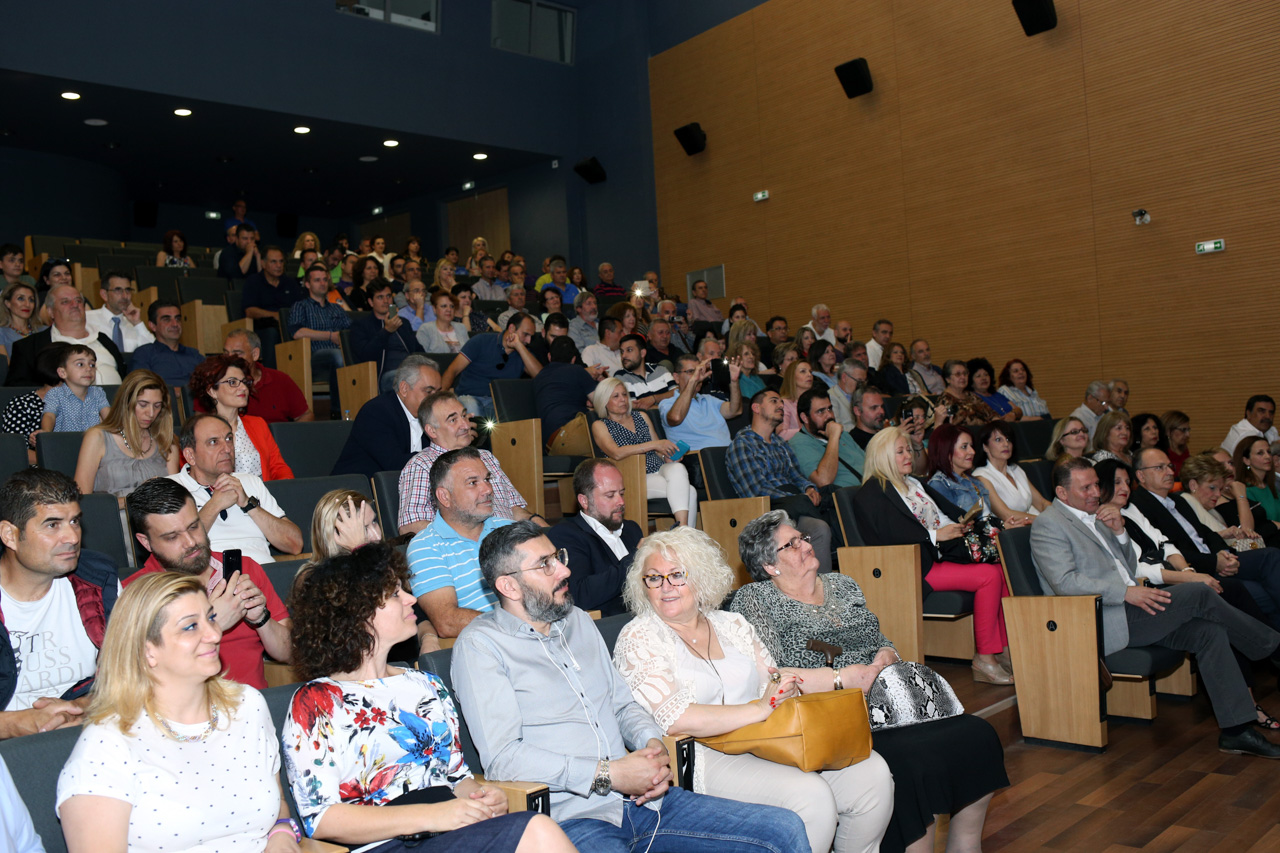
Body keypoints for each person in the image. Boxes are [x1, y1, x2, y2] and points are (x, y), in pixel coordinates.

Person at [451, 521, 810, 852]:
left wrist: (652, 745)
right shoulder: (481, 646)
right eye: (545, 565)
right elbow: (504, 759)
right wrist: (609, 775)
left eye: (557, 557)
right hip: (571, 820)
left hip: (645, 802)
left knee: (784, 829)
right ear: (509, 586)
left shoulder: (577, 622)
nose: (564, 570)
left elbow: (623, 706)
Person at [730, 511, 1009, 853]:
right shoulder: (755, 599)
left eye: (802, 537)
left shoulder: (843, 584)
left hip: (888, 701)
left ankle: (965, 846)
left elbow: (876, 636)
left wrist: (888, 653)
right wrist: (843, 679)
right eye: (792, 544)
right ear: (769, 565)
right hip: (829, 713)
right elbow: (771, 676)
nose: (805, 544)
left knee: (977, 735)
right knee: (911, 763)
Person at [614, 525, 894, 853]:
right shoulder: (640, 636)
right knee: (811, 798)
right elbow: (676, 719)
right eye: (654, 578)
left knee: (872, 775)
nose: (665, 587)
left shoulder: (731, 624)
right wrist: (760, 708)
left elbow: (770, 682)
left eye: (677, 575)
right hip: (701, 754)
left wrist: (783, 690)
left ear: (700, 577)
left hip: (767, 739)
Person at [282, 545, 573, 853]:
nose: (411, 599)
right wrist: (432, 816)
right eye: (395, 594)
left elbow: (457, 778)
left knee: (535, 830)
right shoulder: (316, 701)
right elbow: (321, 819)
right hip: (386, 844)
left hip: (449, 832)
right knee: (537, 831)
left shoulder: (425, 684)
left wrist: (483, 797)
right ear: (358, 613)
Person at [1030, 456, 1280, 758]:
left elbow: (1127, 566)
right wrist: (1125, 592)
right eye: (1086, 488)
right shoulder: (1049, 525)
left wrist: (1120, 532)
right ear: (1062, 492)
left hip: (1134, 607)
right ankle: (1272, 648)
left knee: (1209, 632)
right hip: (1101, 619)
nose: (1096, 492)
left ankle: (1236, 732)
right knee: (1199, 593)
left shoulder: (1096, 515)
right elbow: (1065, 582)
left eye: (1096, 484)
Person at [56, 573, 298, 853]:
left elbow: (276, 803)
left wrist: (282, 833)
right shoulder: (108, 743)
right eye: (190, 627)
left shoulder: (247, 706)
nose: (215, 634)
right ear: (148, 651)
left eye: (210, 618)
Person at [851, 427, 1014, 684]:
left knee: (999, 570)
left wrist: (960, 525)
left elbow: (947, 514)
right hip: (912, 565)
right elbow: (888, 537)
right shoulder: (872, 493)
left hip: (938, 556)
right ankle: (985, 658)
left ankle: (1003, 649)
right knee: (989, 576)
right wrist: (936, 535)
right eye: (900, 452)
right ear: (883, 456)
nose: (909, 456)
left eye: (909, 450)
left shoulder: (913, 483)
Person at [124, 477, 291, 688]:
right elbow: (132, 680)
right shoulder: (133, 594)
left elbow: (289, 652)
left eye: (194, 526)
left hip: (252, 703)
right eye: (172, 537)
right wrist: (212, 624)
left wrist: (262, 619)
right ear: (146, 542)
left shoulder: (244, 569)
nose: (190, 542)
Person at [0, 469, 120, 739]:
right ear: (9, 535)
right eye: (52, 525)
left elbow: (135, 675)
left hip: (91, 731)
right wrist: (18, 724)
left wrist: (81, 708)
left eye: (75, 521)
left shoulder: (99, 580)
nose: (73, 538)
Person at [398, 391, 545, 535]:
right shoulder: (422, 465)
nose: (466, 425)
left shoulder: (486, 457)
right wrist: (465, 539)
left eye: (464, 416)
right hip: (468, 546)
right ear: (432, 430)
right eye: (453, 420)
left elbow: (514, 509)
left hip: (510, 539)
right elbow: (410, 526)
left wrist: (538, 523)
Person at [407, 448, 515, 637]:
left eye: (487, 479)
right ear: (444, 497)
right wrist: (516, 626)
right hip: (488, 642)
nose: (488, 490)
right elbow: (447, 621)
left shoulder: (510, 530)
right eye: (473, 483)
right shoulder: (425, 546)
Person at [168, 413, 304, 563]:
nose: (227, 449)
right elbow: (174, 551)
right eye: (214, 442)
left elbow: (295, 544)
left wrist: (248, 504)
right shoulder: (170, 489)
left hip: (263, 571)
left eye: (229, 439)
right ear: (190, 455)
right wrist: (215, 505)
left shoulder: (250, 482)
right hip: (211, 574)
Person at [726, 388, 836, 573]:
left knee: (834, 493)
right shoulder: (742, 444)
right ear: (756, 408)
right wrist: (797, 497)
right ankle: (820, 583)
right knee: (818, 525)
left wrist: (808, 488)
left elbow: (796, 475)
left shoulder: (780, 443)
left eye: (782, 402)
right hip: (770, 510)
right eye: (774, 401)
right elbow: (756, 490)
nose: (780, 406)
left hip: (795, 501)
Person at [591, 378, 698, 529]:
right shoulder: (600, 425)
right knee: (690, 491)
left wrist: (666, 456)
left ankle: (682, 531)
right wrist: (654, 445)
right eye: (616, 396)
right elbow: (616, 453)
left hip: (659, 469)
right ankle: (684, 533)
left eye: (624, 394)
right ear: (604, 401)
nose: (623, 399)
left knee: (678, 467)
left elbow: (658, 450)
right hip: (634, 477)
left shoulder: (641, 416)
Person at [546, 459, 642, 617]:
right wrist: (637, 558)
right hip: (610, 625)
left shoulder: (631, 529)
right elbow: (580, 595)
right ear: (584, 501)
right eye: (610, 495)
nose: (621, 502)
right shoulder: (567, 534)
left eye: (622, 493)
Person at [74, 369, 180, 507]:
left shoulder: (167, 441)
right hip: (113, 516)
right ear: (126, 403)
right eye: (143, 404)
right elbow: (82, 500)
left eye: (157, 406)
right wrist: (135, 499)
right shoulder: (98, 437)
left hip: (157, 516)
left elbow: (173, 499)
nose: (151, 413)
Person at [331, 355, 440, 479]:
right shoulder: (376, 412)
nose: (435, 399)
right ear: (404, 388)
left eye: (438, 392)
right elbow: (394, 463)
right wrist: (443, 454)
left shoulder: (431, 416)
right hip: (353, 488)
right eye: (428, 391)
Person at [190, 354, 293, 480]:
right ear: (212, 391)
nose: (243, 388)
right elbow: (195, 477)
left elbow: (279, 467)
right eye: (232, 382)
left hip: (262, 491)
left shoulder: (258, 424)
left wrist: (285, 488)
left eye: (244, 382)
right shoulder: (199, 431)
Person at [7, 283, 124, 387]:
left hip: (116, 402)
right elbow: (17, 389)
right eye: (65, 302)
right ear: (50, 311)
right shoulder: (28, 347)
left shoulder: (103, 339)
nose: (75, 305)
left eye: (78, 300)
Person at [441, 312, 542, 419]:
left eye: (531, 337)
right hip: (469, 396)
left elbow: (541, 377)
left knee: (514, 413)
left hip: (498, 403)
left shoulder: (524, 353)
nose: (528, 341)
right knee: (471, 407)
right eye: (525, 334)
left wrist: (519, 346)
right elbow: (453, 370)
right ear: (512, 328)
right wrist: (441, 399)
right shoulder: (481, 341)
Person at [222, 329, 313, 423]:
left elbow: (305, 415)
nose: (229, 359)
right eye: (226, 353)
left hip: (276, 431)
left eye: (237, 353)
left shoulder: (280, 380)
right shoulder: (219, 384)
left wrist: (290, 432)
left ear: (255, 354)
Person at [659, 352, 742, 451]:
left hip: (729, 452)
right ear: (676, 377)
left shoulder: (709, 399)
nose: (697, 376)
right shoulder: (667, 403)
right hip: (699, 457)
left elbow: (735, 411)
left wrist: (734, 381)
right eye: (691, 372)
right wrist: (693, 381)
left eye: (699, 371)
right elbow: (676, 418)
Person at [352, 279, 425, 391]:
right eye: (380, 297)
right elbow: (365, 356)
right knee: (405, 379)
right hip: (385, 376)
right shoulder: (361, 325)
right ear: (371, 302)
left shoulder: (403, 323)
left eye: (388, 296)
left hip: (410, 371)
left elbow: (418, 350)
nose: (386, 301)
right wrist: (386, 331)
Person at [972, 421, 1048, 525]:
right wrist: (1045, 520)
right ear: (985, 447)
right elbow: (1006, 514)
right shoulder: (981, 476)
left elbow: (1041, 503)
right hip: (1012, 530)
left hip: (1034, 523)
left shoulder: (1016, 469)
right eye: (998, 440)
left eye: (1008, 439)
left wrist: (1060, 515)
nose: (1006, 444)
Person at [535, 337, 607, 444]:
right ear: (573, 359)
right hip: (570, 434)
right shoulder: (578, 371)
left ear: (549, 356)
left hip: (547, 441)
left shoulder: (539, 377)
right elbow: (602, 404)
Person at [288, 264, 351, 386]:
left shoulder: (337, 308)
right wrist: (330, 336)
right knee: (337, 355)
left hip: (339, 350)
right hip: (313, 355)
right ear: (307, 284)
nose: (322, 283)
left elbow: (351, 330)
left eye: (325, 280)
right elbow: (297, 333)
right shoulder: (300, 306)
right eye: (317, 280)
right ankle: (341, 398)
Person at [789, 387, 864, 489]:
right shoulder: (798, 443)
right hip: (846, 495)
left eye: (830, 409)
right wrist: (833, 437)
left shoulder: (843, 435)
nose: (829, 415)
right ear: (805, 418)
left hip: (871, 488)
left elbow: (869, 464)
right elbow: (823, 481)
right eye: (821, 411)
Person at [2, 347, 61, 464]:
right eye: (79, 365)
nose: (88, 370)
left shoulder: (88, 401)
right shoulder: (23, 404)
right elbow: (14, 450)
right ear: (60, 370)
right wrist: (59, 461)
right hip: (41, 469)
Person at [925, 423, 997, 516]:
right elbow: (949, 522)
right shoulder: (939, 485)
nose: (972, 452)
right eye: (964, 447)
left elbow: (986, 516)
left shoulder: (973, 480)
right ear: (946, 451)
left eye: (971, 446)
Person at [129, 300, 205, 387]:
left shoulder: (194, 355)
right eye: (167, 320)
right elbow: (140, 387)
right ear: (153, 326)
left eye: (178, 319)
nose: (175, 324)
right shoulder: (144, 354)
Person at [40, 345, 110, 433]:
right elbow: (49, 415)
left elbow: (108, 415)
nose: (88, 369)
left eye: (92, 365)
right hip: (66, 440)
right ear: (62, 372)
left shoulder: (98, 392)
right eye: (80, 364)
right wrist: (46, 431)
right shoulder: (55, 394)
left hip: (93, 440)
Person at [85, 271, 154, 355]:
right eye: (118, 290)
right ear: (104, 294)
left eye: (128, 290)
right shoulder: (87, 319)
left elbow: (153, 353)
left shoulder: (134, 325)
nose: (125, 296)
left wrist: (137, 323)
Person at [242, 245, 304, 331]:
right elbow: (250, 311)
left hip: (289, 323)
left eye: (281, 261)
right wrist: (275, 315)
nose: (279, 265)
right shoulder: (253, 281)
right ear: (263, 264)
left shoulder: (290, 282)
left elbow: (300, 307)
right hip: (264, 326)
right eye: (273, 262)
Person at [614, 332, 676, 410]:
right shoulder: (621, 377)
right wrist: (669, 408)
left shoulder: (660, 369)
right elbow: (635, 408)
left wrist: (654, 398)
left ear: (642, 353)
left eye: (629, 350)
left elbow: (677, 393)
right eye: (622, 351)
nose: (623, 356)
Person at [936, 360, 996, 426]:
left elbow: (991, 414)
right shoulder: (945, 400)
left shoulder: (971, 395)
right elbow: (947, 427)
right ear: (948, 379)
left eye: (965, 374)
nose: (963, 377)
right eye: (958, 374)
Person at [0, 281, 43, 359]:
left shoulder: (44, 330)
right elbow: (5, 365)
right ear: (7, 303)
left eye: (31, 300)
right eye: (20, 298)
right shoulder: (2, 333)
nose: (27, 304)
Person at [777, 359, 815, 441]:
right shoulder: (784, 404)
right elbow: (781, 434)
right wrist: (810, 431)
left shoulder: (815, 402)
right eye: (803, 371)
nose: (809, 375)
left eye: (810, 372)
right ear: (792, 377)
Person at [1162, 409, 1192, 475]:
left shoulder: (1185, 453)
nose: (1188, 434)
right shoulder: (1161, 456)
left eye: (1188, 430)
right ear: (1168, 431)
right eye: (1183, 430)